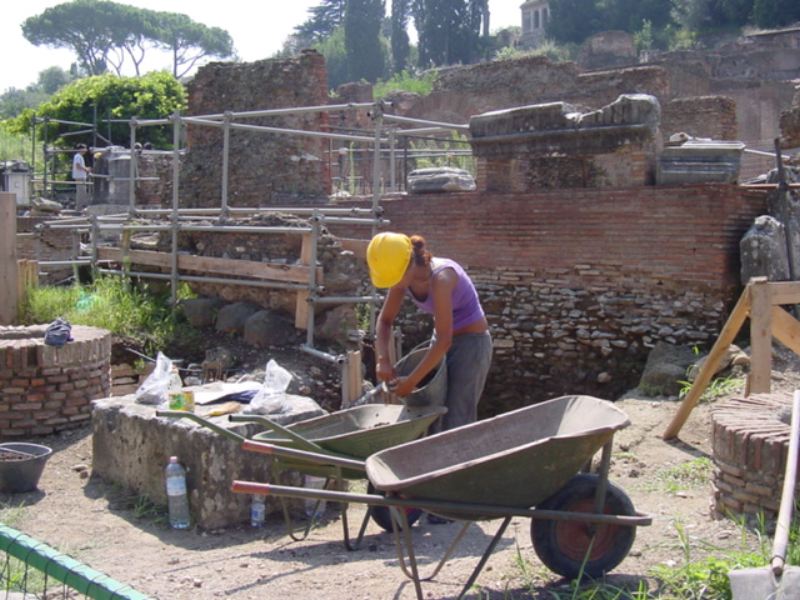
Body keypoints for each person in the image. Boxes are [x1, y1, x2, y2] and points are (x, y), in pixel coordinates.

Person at [367, 232, 493, 432]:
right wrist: (383, 359)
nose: (394, 284)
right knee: (432, 413)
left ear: (409, 264)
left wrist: (411, 382)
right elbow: (384, 321)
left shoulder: (442, 278)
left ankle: (460, 452)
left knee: (457, 419)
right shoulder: (402, 280)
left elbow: (444, 340)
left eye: (395, 278)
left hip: (471, 344)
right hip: (442, 340)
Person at [72, 144, 92, 209]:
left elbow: (80, 165)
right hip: (79, 176)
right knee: (80, 192)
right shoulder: (78, 156)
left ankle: (81, 206)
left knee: (82, 191)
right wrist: (86, 169)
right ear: (81, 149)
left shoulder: (80, 156)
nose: (86, 150)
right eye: (84, 148)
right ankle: (79, 207)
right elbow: (78, 165)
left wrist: (86, 168)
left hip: (81, 176)